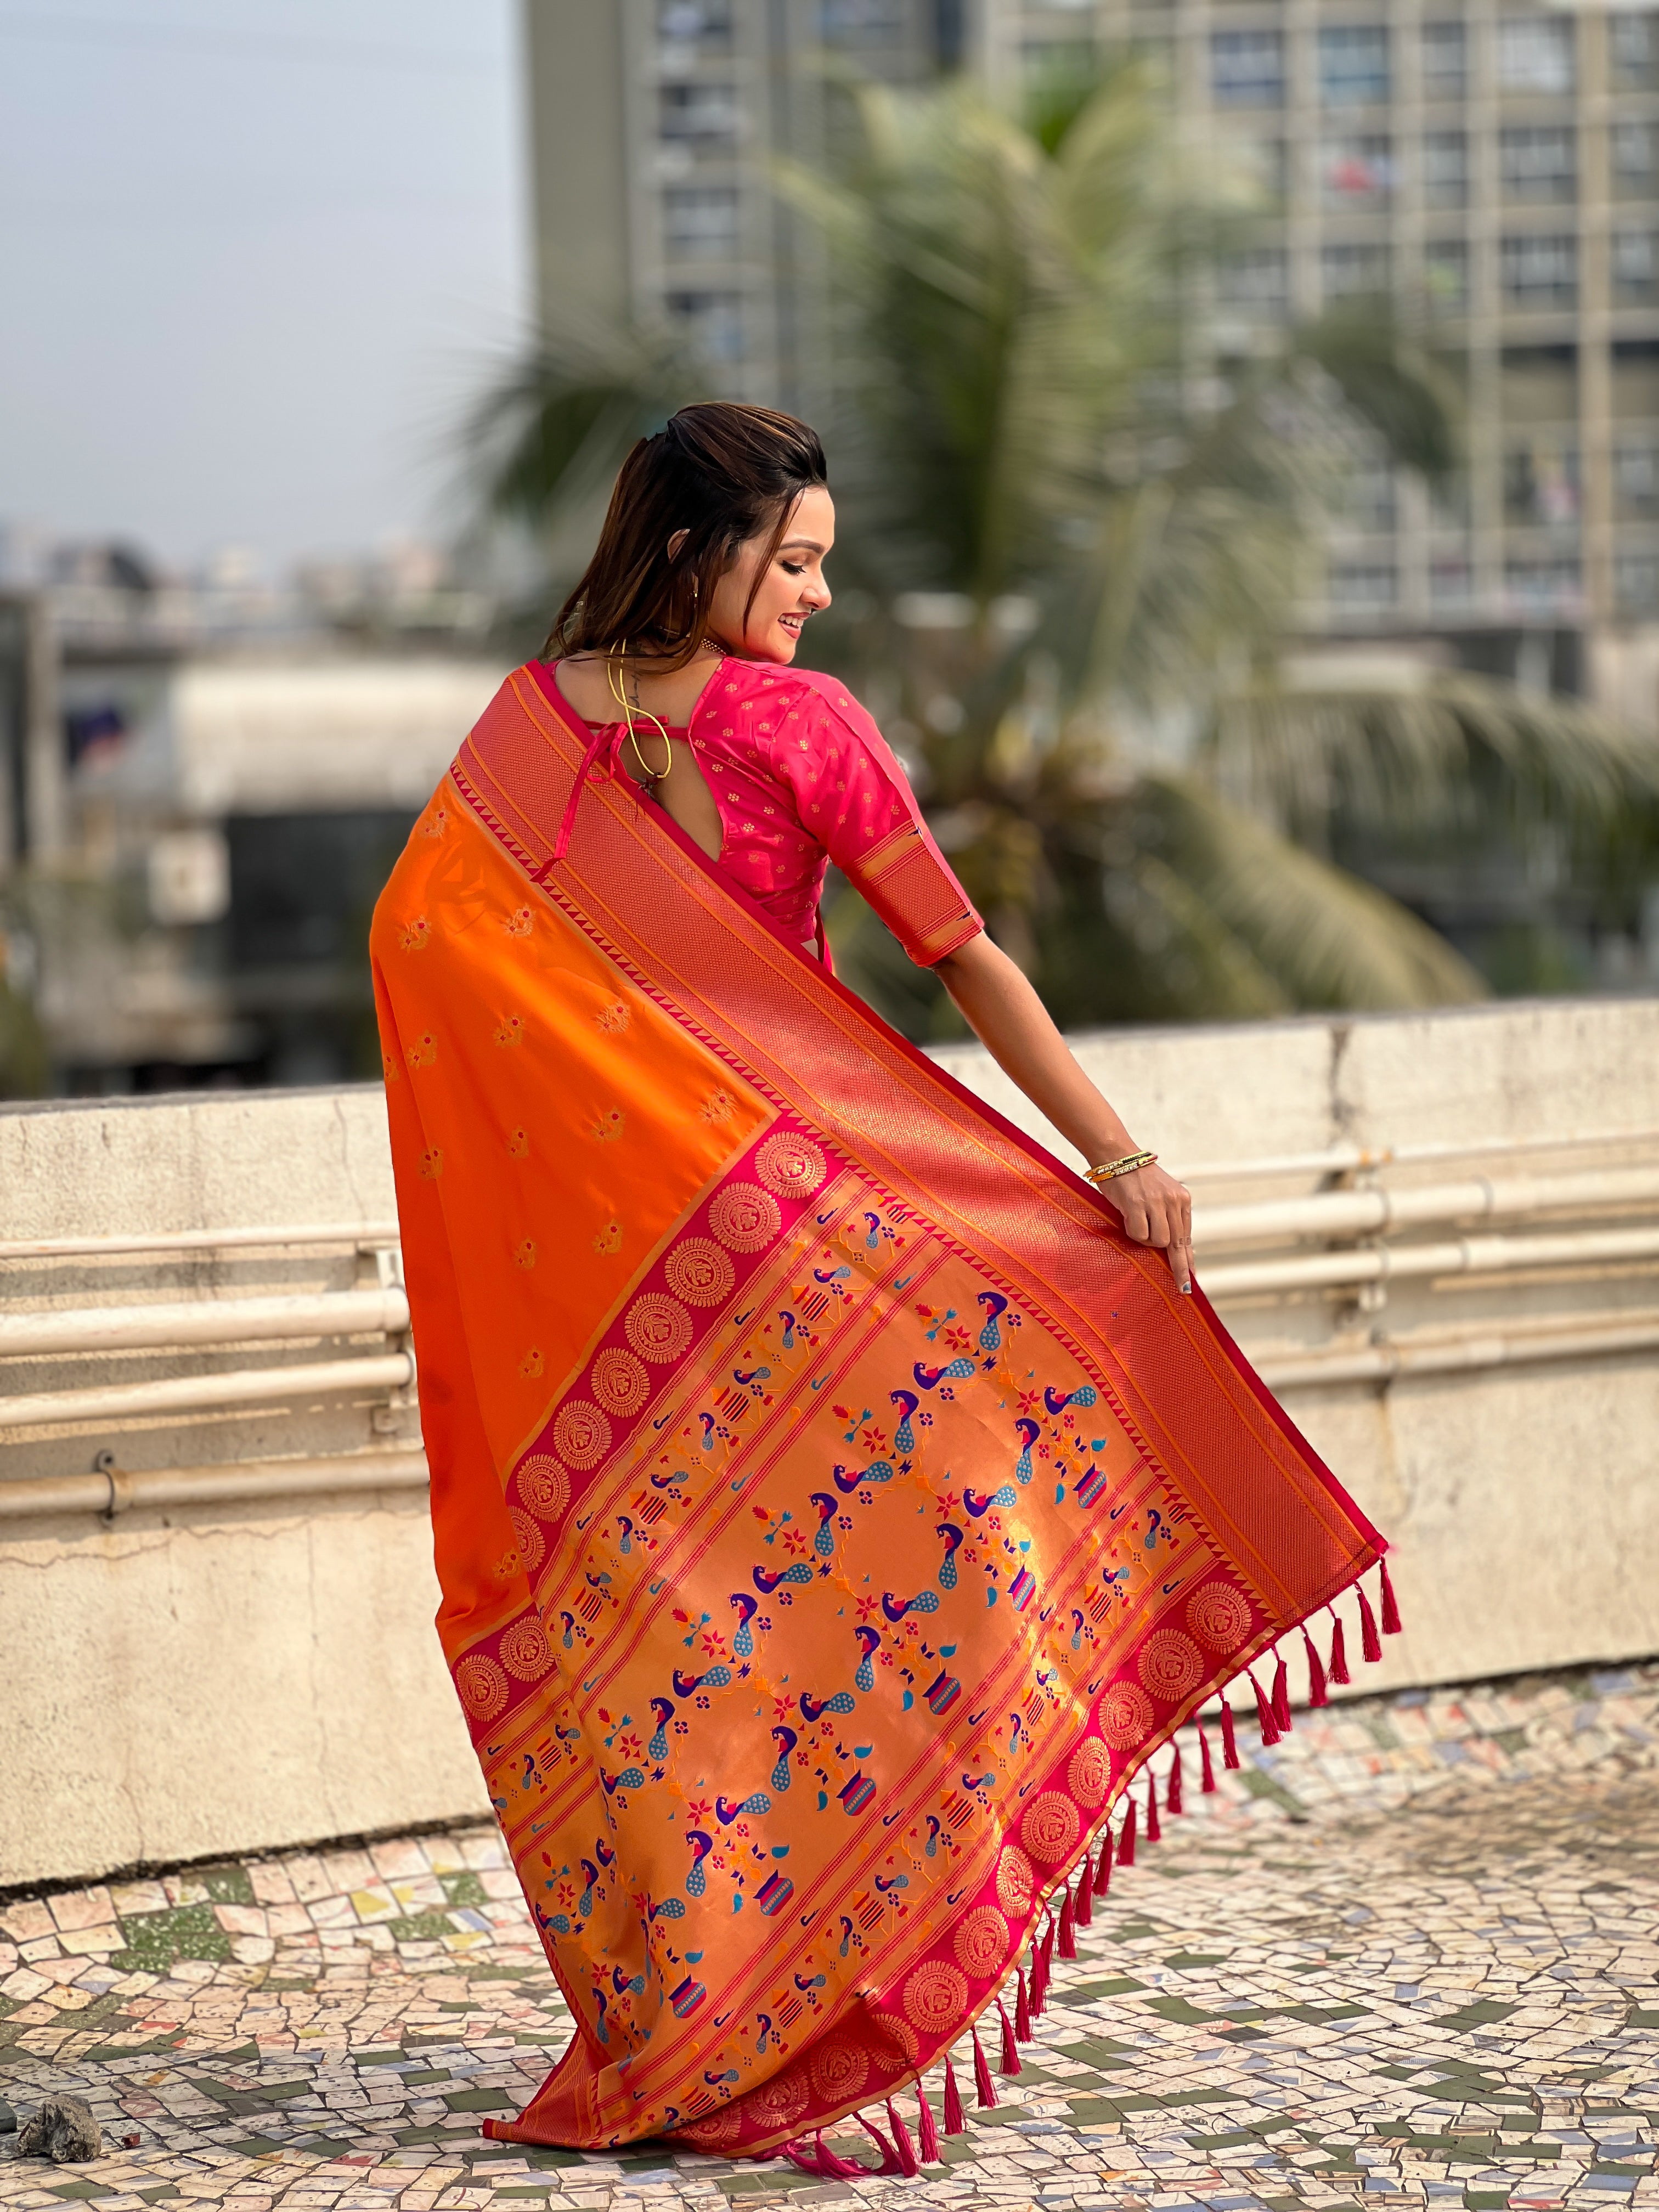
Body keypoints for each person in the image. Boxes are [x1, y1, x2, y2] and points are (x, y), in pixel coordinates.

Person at [370, 403, 1391, 2167]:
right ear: (701, 553)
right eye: (798, 561)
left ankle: (683, 2030)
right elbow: (965, 958)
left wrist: (597, 1111)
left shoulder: (523, 736)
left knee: (681, 1663)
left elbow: (415, 942)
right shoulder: (795, 725)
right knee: (899, 1585)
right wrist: (1118, 1161)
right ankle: (831, 1977)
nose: (819, 598)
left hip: (622, 1295)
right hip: (803, 1256)